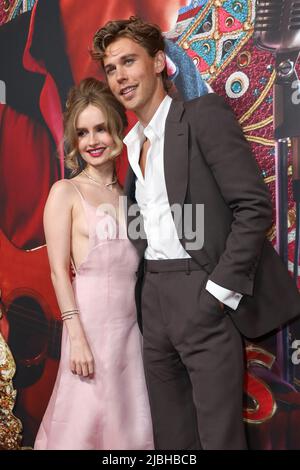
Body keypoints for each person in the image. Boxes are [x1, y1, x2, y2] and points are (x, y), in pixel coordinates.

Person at [92, 17, 300, 450]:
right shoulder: (130, 147)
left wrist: (216, 293)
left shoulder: (201, 116)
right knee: (172, 441)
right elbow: (145, 229)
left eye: (129, 62)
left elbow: (253, 206)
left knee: (219, 439)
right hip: (154, 300)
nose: (120, 77)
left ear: (159, 62)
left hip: (201, 293)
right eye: (111, 69)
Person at [34, 78, 154, 450]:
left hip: (132, 339)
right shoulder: (65, 192)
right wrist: (77, 338)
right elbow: (57, 271)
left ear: (117, 129)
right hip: (87, 333)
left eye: (100, 128)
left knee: (129, 433)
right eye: (83, 133)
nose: (93, 141)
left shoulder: (132, 197)